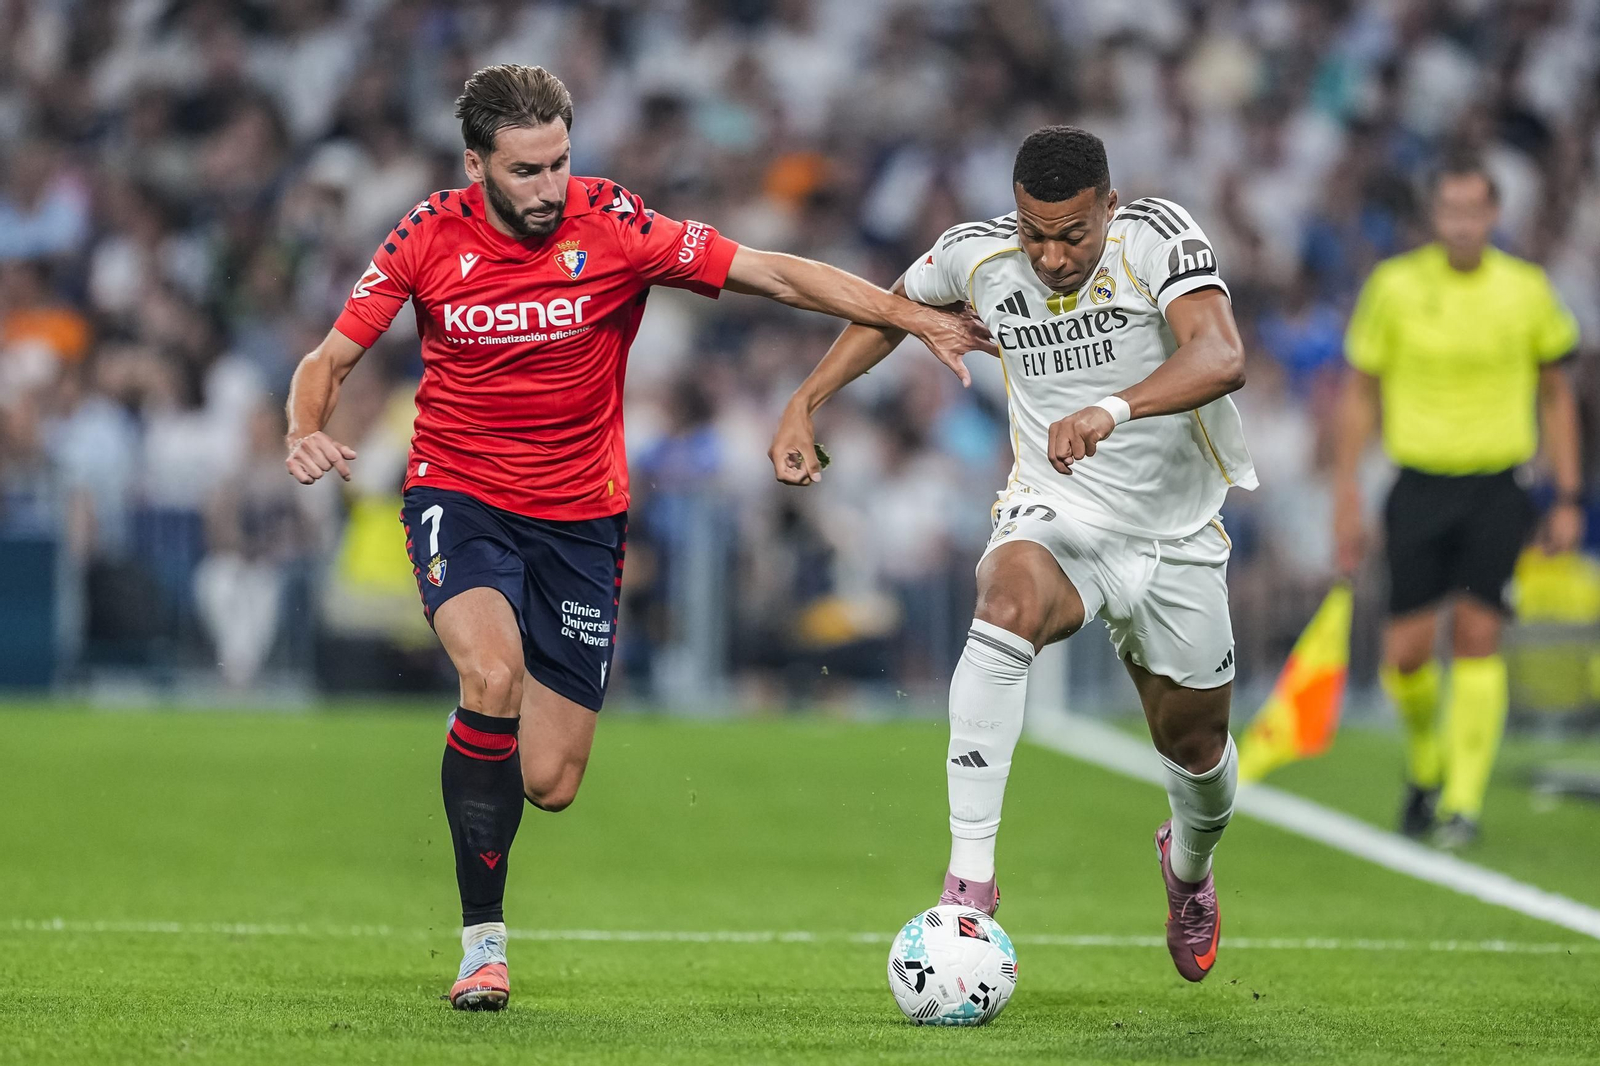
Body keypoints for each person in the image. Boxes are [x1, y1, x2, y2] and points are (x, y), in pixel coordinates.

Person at [282, 64, 991, 1011]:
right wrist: (304, 428)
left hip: (581, 520)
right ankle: (482, 948)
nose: (548, 189)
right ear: (476, 165)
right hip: (462, 495)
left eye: (560, 164)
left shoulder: (613, 223)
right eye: (526, 171)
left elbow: (774, 273)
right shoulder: (425, 235)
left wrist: (912, 316)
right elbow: (327, 360)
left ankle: (487, 761)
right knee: (489, 675)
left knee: (552, 781)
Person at [769, 126, 1254, 983]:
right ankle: (970, 887)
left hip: (1177, 534)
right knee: (1006, 603)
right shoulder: (976, 254)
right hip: (1057, 510)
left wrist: (1109, 411)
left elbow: (1221, 356)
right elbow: (890, 310)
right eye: (1035, 231)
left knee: (1200, 754)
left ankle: (1187, 869)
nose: (1052, 255)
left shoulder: (1156, 237)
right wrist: (808, 399)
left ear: (1108, 206)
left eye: (1072, 234)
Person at [1332, 158, 1582, 849]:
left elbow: (1557, 392)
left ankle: (1462, 803)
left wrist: (1568, 494)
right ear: (1435, 216)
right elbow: (1360, 391)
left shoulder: (1526, 291)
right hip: (1418, 484)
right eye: (1451, 210)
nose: (1463, 223)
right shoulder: (1395, 287)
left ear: (1494, 215)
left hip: (1497, 487)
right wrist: (1346, 493)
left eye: (1475, 210)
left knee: (1478, 635)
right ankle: (1427, 764)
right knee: (1405, 655)